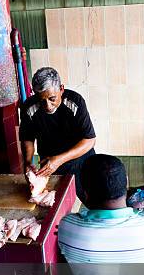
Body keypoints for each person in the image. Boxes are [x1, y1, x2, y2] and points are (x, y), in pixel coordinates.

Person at [19, 67, 96, 201]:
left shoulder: (75, 102)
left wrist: (59, 160)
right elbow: (27, 137)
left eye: (52, 98)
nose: (48, 105)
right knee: (56, 204)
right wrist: (27, 161)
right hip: (50, 166)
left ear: (61, 89)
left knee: (90, 200)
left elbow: (89, 140)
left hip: (81, 161)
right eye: (42, 100)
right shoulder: (28, 108)